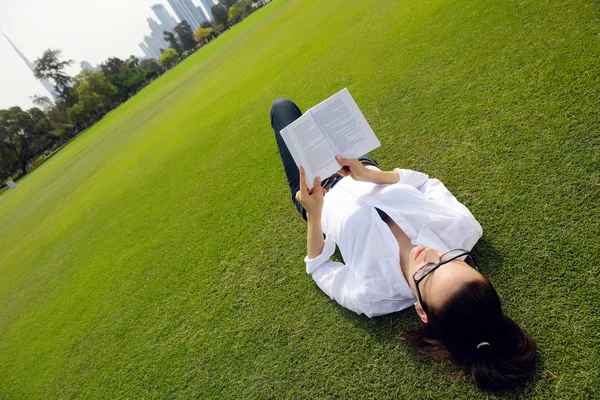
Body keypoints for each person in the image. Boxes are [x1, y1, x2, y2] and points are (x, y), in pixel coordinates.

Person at [270, 98, 537, 392]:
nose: (431, 255)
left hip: (316, 191)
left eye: (429, 273)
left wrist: (314, 213)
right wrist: (371, 175)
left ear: (421, 310)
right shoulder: (464, 229)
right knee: (322, 116)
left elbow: (320, 269)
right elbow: (426, 184)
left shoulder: (371, 296)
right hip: (356, 165)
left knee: (282, 108)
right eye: (453, 260)